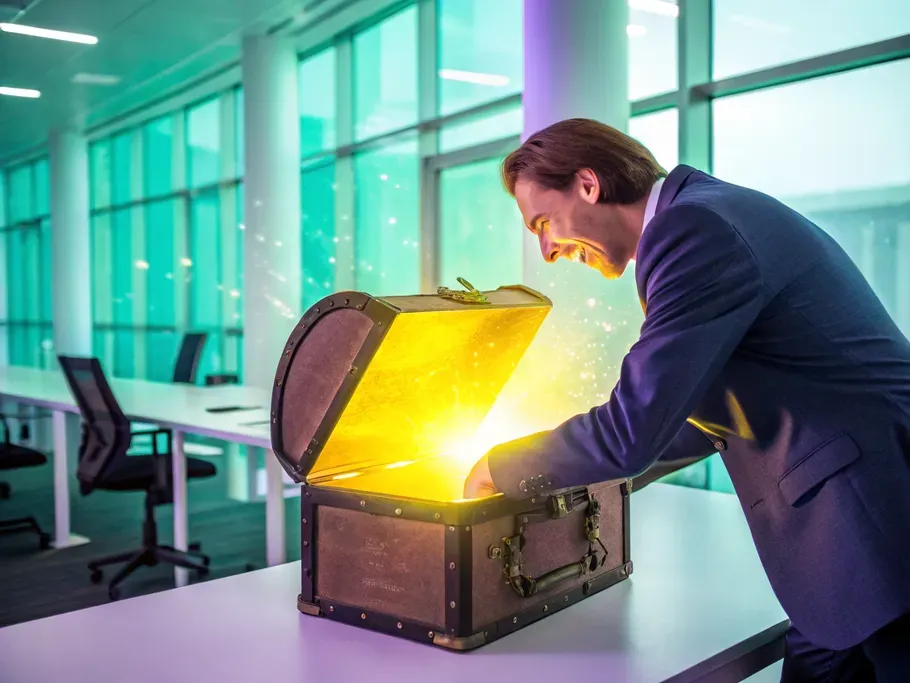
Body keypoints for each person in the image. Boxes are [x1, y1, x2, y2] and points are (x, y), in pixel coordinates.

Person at [462, 118, 910, 681]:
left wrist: (500, 466)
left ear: (587, 184)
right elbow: (700, 415)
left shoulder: (693, 230)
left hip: (877, 526)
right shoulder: (705, 212)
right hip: (852, 538)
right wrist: (595, 475)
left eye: (543, 223)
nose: (548, 250)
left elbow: (634, 429)